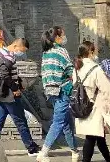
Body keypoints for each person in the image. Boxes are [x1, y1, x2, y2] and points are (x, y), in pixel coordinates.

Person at [0, 38, 40, 156]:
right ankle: (31, 148)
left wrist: (19, 83)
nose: (22, 53)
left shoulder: (4, 56)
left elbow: (11, 75)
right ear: (16, 46)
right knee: (21, 121)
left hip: (2, 94)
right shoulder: (5, 58)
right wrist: (15, 89)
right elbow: (5, 76)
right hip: (9, 95)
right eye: (22, 50)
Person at [74, 41, 110, 162]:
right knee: (91, 137)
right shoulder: (96, 69)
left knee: (99, 135)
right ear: (91, 52)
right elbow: (108, 90)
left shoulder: (77, 68)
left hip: (82, 105)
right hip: (94, 107)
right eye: (95, 50)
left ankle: (109, 159)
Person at [38, 26, 77, 162]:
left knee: (66, 123)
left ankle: (75, 151)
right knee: (59, 122)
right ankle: (43, 153)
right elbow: (69, 70)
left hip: (50, 91)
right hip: (62, 90)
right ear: (57, 37)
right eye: (63, 35)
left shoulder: (46, 52)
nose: (65, 38)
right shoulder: (61, 51)